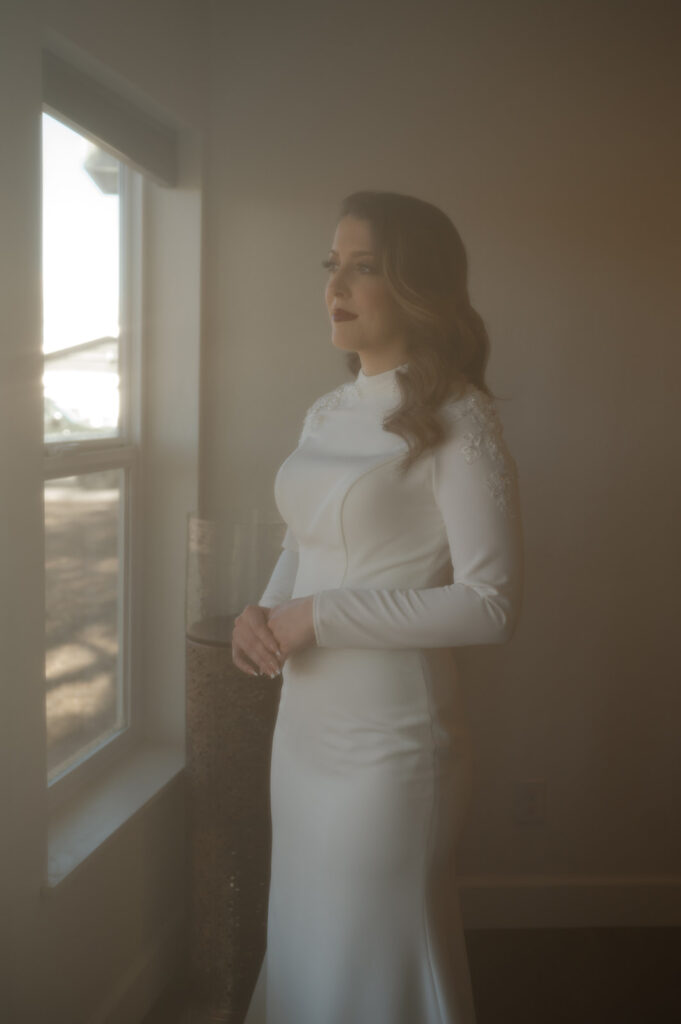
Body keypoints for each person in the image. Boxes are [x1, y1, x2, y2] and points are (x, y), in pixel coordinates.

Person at [233, 190, 524, 1024]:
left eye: (364, 267)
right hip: (305, 729)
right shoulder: (326, 411)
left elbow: (490, 605)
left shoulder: (459, 421)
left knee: (371, 954)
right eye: (334, 265)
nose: (338, 283)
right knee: (306, 937)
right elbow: (305, 538)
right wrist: (265, 609)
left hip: (391, 747)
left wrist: (319, 617)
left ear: (418, 286)